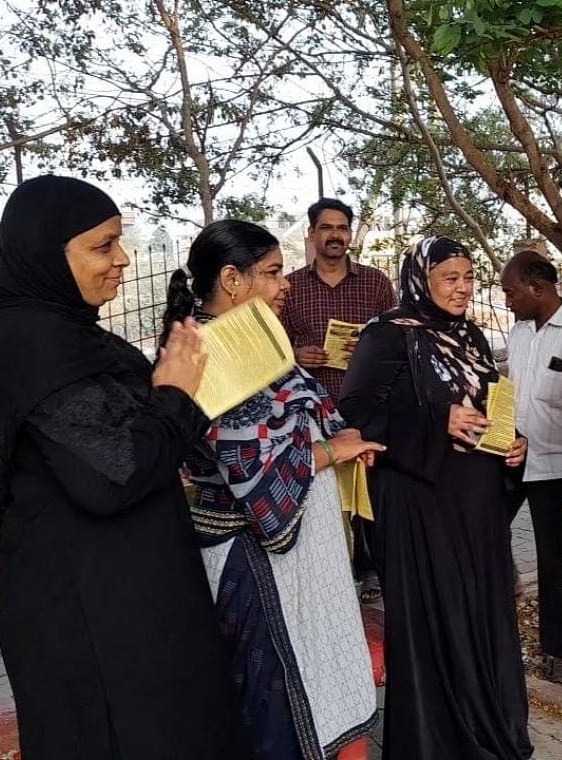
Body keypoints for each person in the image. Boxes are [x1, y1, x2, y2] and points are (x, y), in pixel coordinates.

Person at [0, 175, 244, 759]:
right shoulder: (27, 342)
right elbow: (114, 474)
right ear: (45, 252)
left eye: (119, 243)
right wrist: (176, 393)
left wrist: (171, 388)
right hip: (92, 611)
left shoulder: (65, 334)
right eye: (103, 247)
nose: (123, 260)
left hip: (129, 594)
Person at [163, 220, 382, 760]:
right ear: (232, 279)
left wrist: (339, 436)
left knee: (327, 683)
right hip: (257, 563)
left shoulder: (254, 344)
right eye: (273, 273)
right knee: (277, 705)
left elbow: (310, 416)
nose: (286, 284)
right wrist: (333, 451)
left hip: (308, 557)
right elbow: (249, 472)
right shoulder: (207, 356)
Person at [339, 236, 533, 760]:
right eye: (451, 278)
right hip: (418, 503)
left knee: (480, 610)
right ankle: (435, 744)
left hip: (474, 499)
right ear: (421, 279)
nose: (464, 288)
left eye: (469, 278)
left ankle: (488, 729)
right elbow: (356, 412)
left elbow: (492, 404)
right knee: (434, 615)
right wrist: (435, 420)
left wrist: (512, 443)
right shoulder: (388, 335)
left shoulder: (469, 334)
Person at [280, 197, 396, 603]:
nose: (335, 235)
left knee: (373, 489)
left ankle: (375, 573)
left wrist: (369, 351)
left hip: (367, 407)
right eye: (326, 228)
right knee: (326, 497)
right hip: (311, 411)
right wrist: (295, 355)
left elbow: (397, 339)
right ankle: (330, 574)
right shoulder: (289, 288)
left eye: (342, 228)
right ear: (312, 234)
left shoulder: (376, 284)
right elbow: (270, 347)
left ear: (350, 234)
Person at [500, 249, 562, 689]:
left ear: (539, 288)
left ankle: (559, 654)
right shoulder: (516, 334)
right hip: (512, 456)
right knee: (484, 530)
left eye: (511, 291)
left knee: (555, 564)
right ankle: (498, 620)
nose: (507, 300)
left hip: (557, 463)